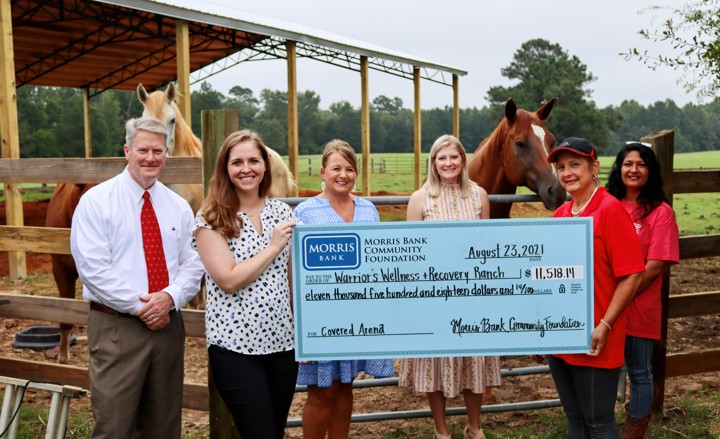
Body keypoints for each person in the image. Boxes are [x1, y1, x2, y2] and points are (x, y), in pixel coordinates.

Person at [70, 117, 204, 438]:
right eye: (142, 149)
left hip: (168, 327)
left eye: (158, 150)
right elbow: (92, 269)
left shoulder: (178, 206)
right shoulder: (97, 202)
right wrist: (142, 306)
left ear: (167, 153)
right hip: (117, 326)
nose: (150, 157)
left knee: (164, 425)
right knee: (114, 426)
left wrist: (169, 298)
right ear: (127, 151)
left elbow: (193, 262)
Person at [192, 129, 298, 439]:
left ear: (265, 164)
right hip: (235, 347)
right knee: (260, 433)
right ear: (225, 168)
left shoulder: (283, 213)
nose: (246, 168)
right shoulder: (211, 218)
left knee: (274, 431)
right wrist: (273, 247)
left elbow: (292, 280)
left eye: (254, 160)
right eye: (237, 162)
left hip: (283, 343)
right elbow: (227, 279)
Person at [397, 134, 500, 439]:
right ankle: (441, 431)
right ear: (434, 162)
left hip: (472, 294)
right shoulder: (421, 198)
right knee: (435, 362)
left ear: (462, 160)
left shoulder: (478, 195)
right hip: (433, 294)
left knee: (474, 361)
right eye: (442, 158)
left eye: (453, 157)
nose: (448, 163)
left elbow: (485, 246)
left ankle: (474, 426)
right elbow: (412, 250)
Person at [545, 137, 646, 438]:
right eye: (561, 167)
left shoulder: (610, 210)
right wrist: (540, 330)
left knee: (598, 420)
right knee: (575, 417)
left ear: (594, 167)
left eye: (575, 164)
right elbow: (548, 277)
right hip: (562, 334)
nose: (567, 173)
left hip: (597, 335)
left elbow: (632, 275)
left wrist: (604, 324)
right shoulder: (560, 215)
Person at [294, 140, 395, 439]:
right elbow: (294, 271)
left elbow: (378, 260)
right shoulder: (305, 212)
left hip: (358, 314)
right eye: (336, 168)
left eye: (350, 169)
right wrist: (303, 327)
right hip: (321, 316)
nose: (343, 175)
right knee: (323, 391)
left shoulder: (368, 210)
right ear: (322, 172)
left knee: (346, 386)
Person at [607, 141, 680, 438]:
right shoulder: (607, 205)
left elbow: (655, 265)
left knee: (638, 371)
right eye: (628, 164)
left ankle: (634, 430)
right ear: (619, 168)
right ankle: (599, 426)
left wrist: (620, 296)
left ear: (650, 170)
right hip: (603, 306)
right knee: (604, 370)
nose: (634, 170)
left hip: (639, 305)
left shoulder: (660, 212)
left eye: (641, 164)